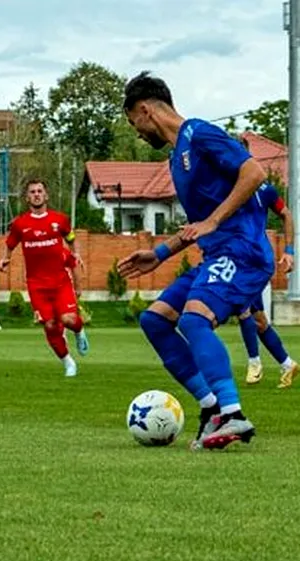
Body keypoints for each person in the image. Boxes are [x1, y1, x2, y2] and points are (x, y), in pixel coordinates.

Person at [117, 71, 273, 451]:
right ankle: (211, 407)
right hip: (218, 254)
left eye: (132, 123)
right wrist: (159, 254)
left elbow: (254, 172)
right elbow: (197, 227)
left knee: (193, 318)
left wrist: (216, 220)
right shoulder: (176, 160)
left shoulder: (199, 133)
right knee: (155, 320)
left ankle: (232, 414)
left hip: (245, 251)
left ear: (144, 111)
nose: (137, 132)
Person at [0, 179, 89, 376]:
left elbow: (71, 237)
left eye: (40, 191)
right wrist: (5, 259)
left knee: (68, 319)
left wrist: (76, 253)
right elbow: (10, 244)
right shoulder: (20, 224)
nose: (37, 194)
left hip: (60, 282)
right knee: (50, 325)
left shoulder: (60, 220)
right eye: (32, 192)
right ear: (27, 197)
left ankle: (79, 331)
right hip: (36, 284)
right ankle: (68, 363)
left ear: (46, 195)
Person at [239, 180, 300, 388]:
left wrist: (289, 250)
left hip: (257, 260)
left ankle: (254, 362)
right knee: (259, 321)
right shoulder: (221, 187)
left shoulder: (263, 190)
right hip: (236, 259)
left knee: (242, 307)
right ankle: (287, 364)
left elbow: (286, 213)